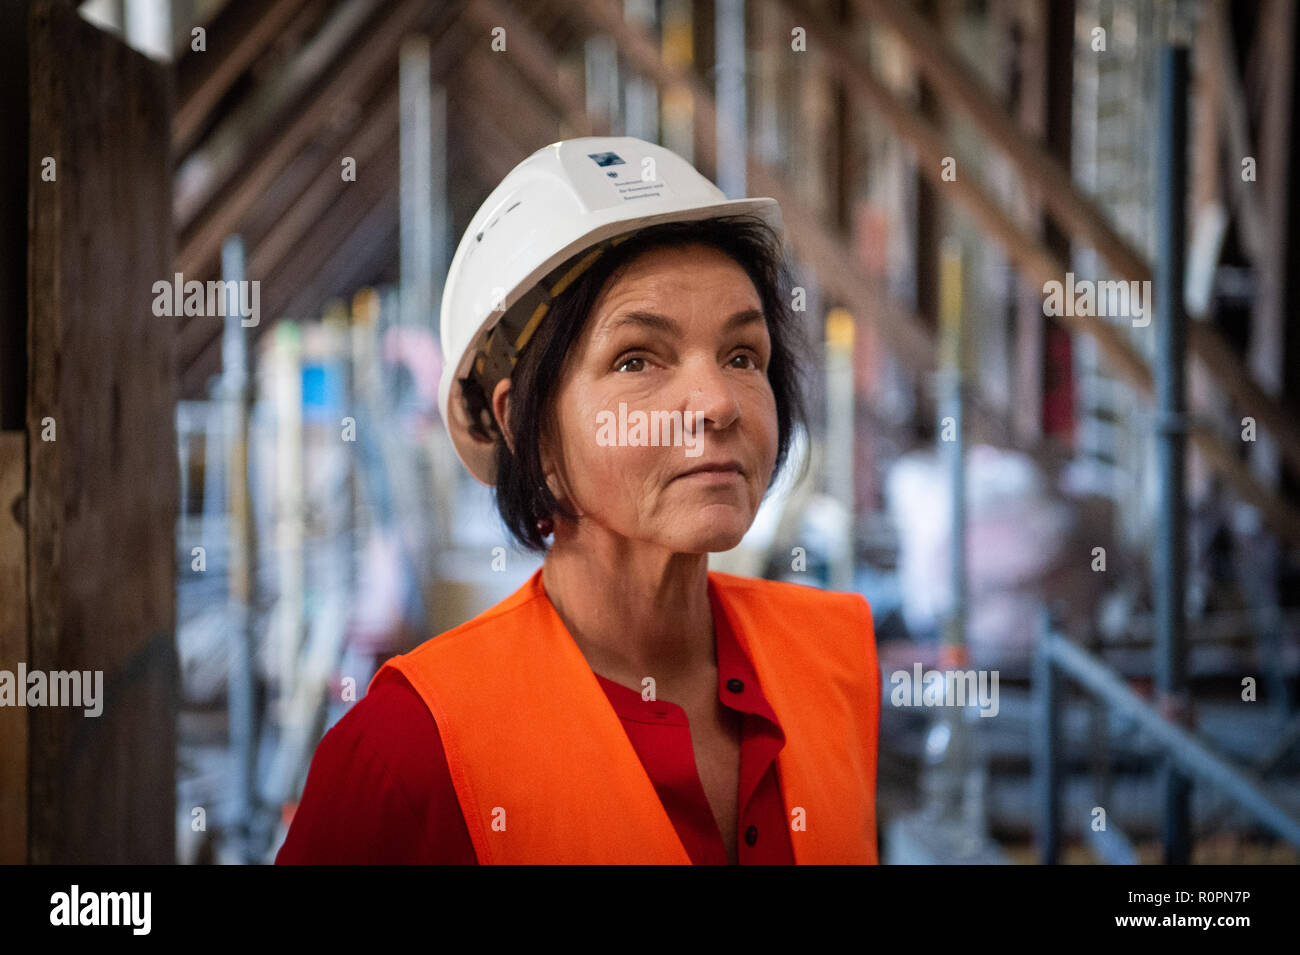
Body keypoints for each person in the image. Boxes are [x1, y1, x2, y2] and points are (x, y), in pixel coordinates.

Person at [276, 136, 880, 865]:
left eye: (742, 355)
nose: (718, 402)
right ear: (524, 427)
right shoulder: (411, 748)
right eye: (636, 359)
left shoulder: (832, 659)